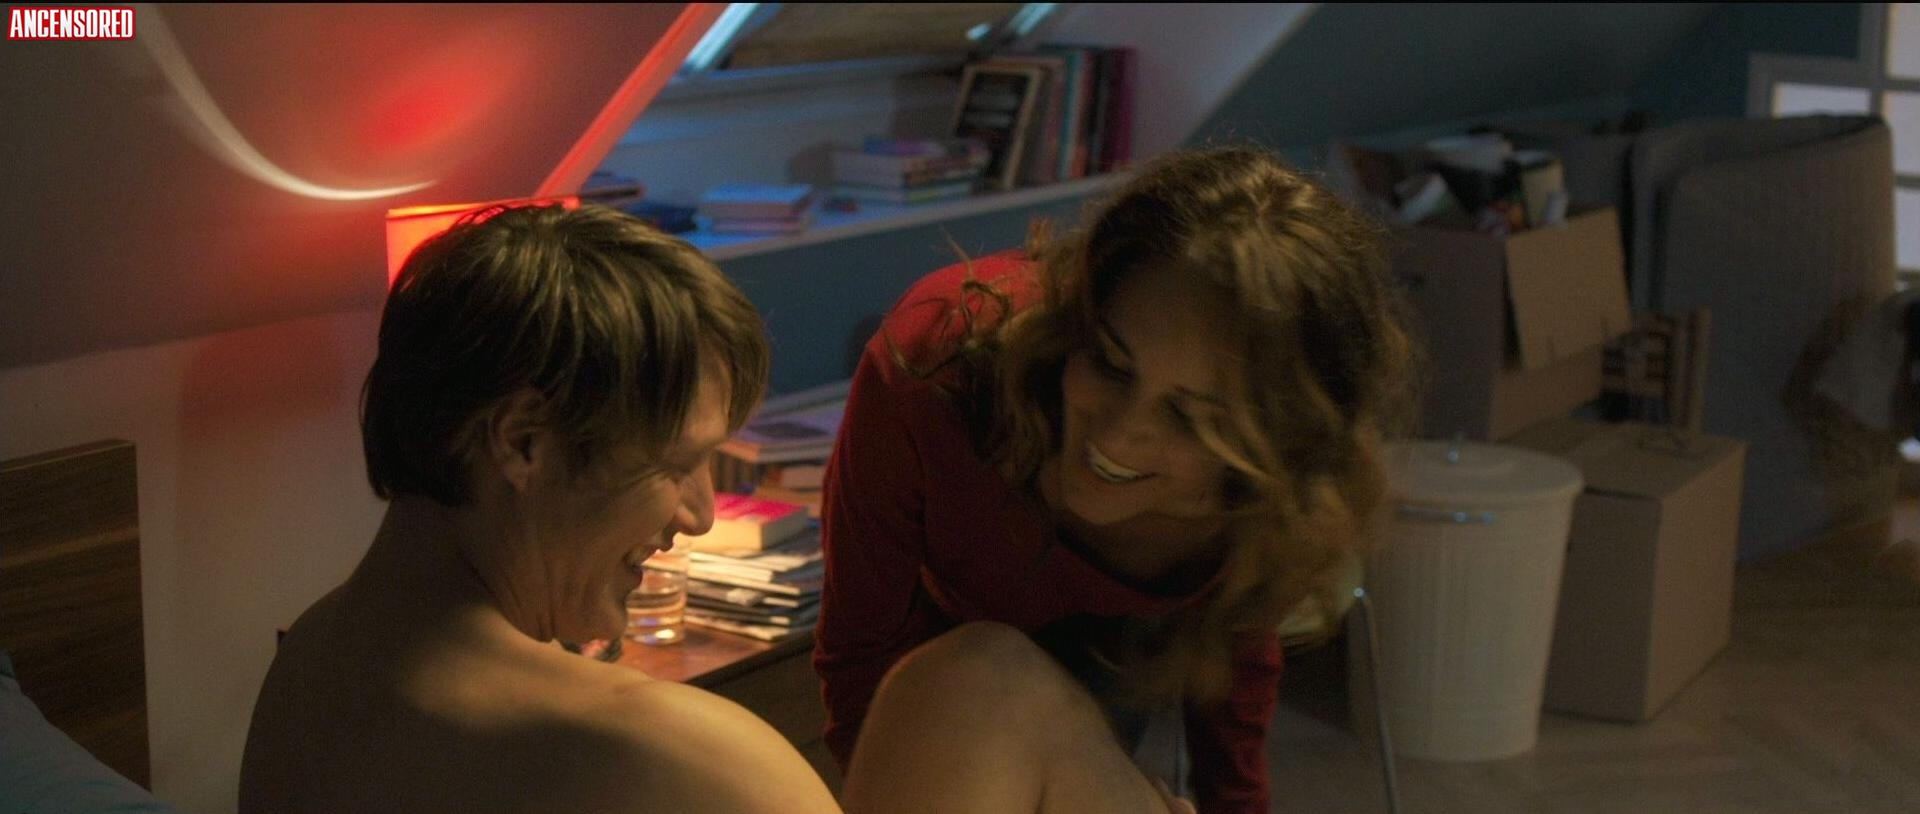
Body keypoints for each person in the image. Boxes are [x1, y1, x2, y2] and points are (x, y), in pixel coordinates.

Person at [238, 203, 1195, 814]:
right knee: (996, 683)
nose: (698, 514)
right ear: (523, 443)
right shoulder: (675, 757)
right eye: (676, 464)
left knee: (991, 671)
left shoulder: (305, 668)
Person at [815, 146, 1415, 814]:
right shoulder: (938, 368)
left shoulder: (1272, 496)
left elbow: (1234, 666)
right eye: (1110, 363)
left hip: (1117, 668)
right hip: (928, 670)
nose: (1119, 437)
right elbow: (859, 653)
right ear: (1075, 321)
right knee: (973, 674)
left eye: (1190, 417)